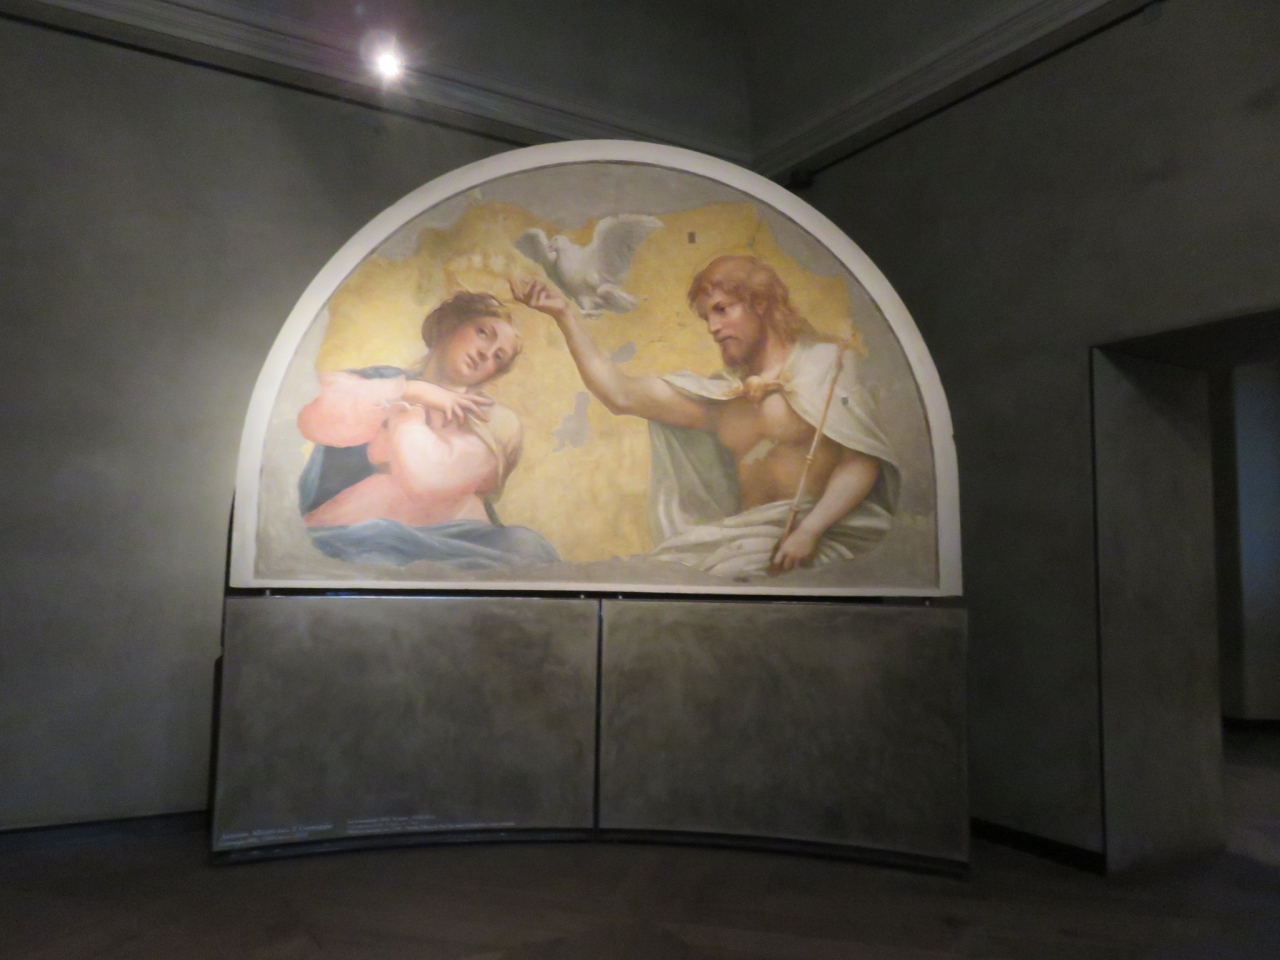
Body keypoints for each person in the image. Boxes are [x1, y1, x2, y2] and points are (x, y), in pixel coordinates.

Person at [511, 256, 898, 578]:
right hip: (743, 541)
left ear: (760, 303)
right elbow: (620, 394)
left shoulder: (826, 366)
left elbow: (861, 460)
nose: (713, 328)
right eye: (706, 317)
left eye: (722, 310)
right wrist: (564, 315)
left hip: (813, 539)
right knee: (654, 574)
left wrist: (809, 531)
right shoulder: (721, 398)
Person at [295, 291, 559, 570]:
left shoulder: (492, 420)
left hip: (452, 543)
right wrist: (411, 390)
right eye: (483, 333)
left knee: (524, 549)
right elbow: (307, 415)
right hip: (354, 534)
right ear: (449, 326)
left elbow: (427, 480)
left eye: (498, 357)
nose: (485, 353)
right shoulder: (382, 381)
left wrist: (407, 415)